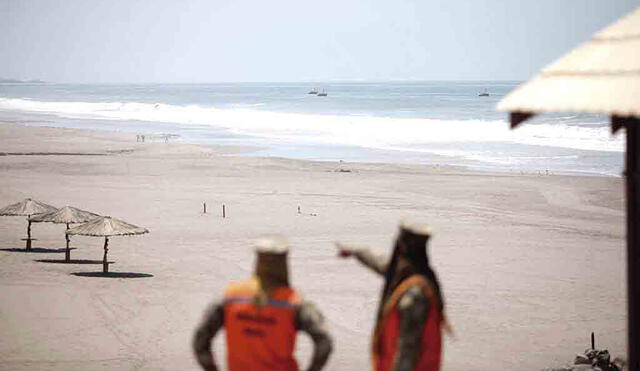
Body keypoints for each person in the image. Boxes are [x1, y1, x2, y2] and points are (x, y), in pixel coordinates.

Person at [193, 236, 333, 371]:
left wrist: (211, 368)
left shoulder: (231, 296)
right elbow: (324, 341)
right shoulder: (293, 302)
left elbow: (201, 338)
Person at [337, 221, 449, 371]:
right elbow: (379, 261)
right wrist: (354, 251)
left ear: (401, 245)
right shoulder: (412, 274)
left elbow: (408, 351)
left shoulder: (414, 295)